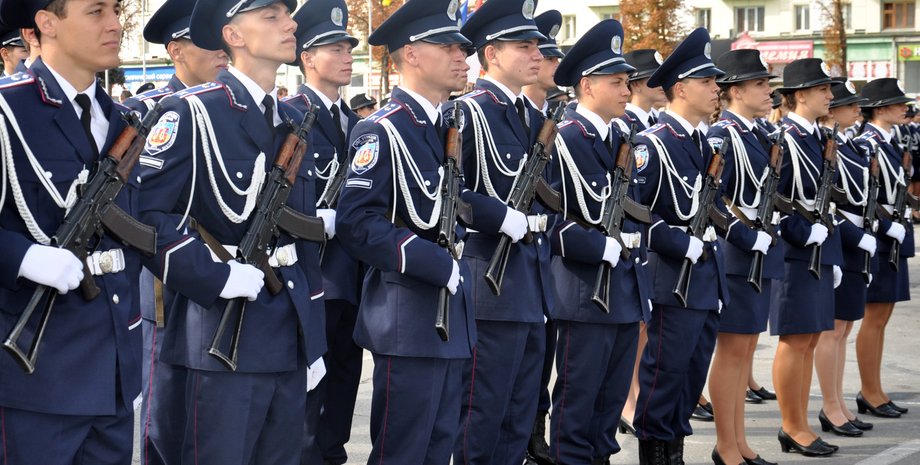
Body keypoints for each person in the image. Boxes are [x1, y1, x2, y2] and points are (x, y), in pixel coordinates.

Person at [136, 0, 327, 463]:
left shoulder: (292, 120)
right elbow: (144, 215)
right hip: (222, 333)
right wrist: (214, 276)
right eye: (271, 16)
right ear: (234, 36)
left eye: (287, 15)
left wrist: (313, 339)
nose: (291, 24)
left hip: (288, 331)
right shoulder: (192, 112)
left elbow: (300, 240)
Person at [334, 0, 509, 462]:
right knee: (404, 451)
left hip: (449, 316)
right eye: (448, 47)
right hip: (407, 316)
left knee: (439, 447)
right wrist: (434, 262)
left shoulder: (444, 126)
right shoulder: (382, 130)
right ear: (411, 54)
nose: (462, 57)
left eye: (463, 49)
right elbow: (356, 222)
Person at [0, 0, 142, 463]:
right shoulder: (7, 110)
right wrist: (22, 257)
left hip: (114, 374)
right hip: (36, 378)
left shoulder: (121, 121)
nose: (115, 24)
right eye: (96, 10)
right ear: (47, 23)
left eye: (116, 9)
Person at [121, 1, 230, 463]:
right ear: (177, 50)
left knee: (213, 423)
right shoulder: (146, 112)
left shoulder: (232, 111)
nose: (222, 50)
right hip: (166, 283)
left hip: (228, 280)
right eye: (208, 41)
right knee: (164, 417)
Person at [452, 1, 554, 463]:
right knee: (482, 412)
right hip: (488, 285)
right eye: (524, 46)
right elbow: (451, 192)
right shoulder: (468, 113)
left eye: (537, 46)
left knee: (519, 413)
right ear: (491, 54)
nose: (537, 55)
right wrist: (499, 216)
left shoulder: (531, 117)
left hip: (530, 283)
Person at [548, 19, 650, 465]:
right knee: (578, 402)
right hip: (584, 292)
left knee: (609, 405)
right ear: (587, 85)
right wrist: (596, 246)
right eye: (617, 82)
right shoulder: (566, 138)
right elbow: (548, 218)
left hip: (624, 289)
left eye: (627, 82)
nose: (627, 90)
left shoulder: (621, 138)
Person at [630, 27, 729, 465]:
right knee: (664, 378)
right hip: (673, 281)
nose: (716, 89)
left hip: (705, 280)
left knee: (690, 379)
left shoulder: (704, 143)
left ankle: (675, 453)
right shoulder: (652, 145)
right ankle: (656, 454)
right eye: (707, 82)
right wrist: (679, 243)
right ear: (682, 88)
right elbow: (636, 215)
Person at [283, 1, 363, 463]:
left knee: (345, 385)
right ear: (308, 58)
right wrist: (317, 220)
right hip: (313, 275)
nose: (348, 57)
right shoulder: (290, 115)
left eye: (349, 48)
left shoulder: (358, 123)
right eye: (336, 49)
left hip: (353, 276)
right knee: (310, 395)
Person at [705, 49, 780, 465]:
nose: (769, 92)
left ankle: (739, 441)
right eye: (760, 84)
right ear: (735, 90)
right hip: (737, 257)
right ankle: (726, 445)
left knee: (746, 351)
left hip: (758, 254)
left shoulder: (756, 133)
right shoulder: (724, 136)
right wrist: (745, 236)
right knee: (732, 353)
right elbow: (713, 201)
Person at [771, 57, 843, 458]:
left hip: (820, 251)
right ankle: (791, 425)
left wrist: (831, 252)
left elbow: (825, 199)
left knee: (811, 340)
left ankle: (799, 423)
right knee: (795, 341)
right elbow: (772, 201)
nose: (830, 96)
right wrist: (803, 234)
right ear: (800, 95)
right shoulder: (785, 139)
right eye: (823, 89)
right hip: (796, 255)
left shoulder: (817, 137)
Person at [813, 76, 876, 438]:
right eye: (850, 105)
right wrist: (856, 237)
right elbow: (828, 204)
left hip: (853, 243)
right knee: (832, 330)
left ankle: (838, 401)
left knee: (844, 328)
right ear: (832, 111)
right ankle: (829, 405)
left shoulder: (848, 143)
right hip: (841, 241)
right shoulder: (827, 144)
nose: (857, 111)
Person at [853, 77, 915, 419]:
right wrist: (884, 222)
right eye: (897, 103)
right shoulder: (867, 144)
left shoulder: (891, 140)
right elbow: (864, 194)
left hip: (895, 236)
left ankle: (876, 389)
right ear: (879, 109)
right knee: (874, 317)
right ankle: (869, 390)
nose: (904, 108)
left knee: (884, 316)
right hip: (879, 239)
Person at [519, 9, 564, 465]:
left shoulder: (551, 119)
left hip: (542, 259)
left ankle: (536, 429)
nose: (550, 64)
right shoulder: (520, 119)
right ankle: (530, 434)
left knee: (541, 356)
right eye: (548, 57)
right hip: (516, 263)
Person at [616, 46, 664, 436]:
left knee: (643, 323)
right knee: (635, 326)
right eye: (655, 79)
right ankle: (629, 398)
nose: (663, 85)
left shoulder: (648, 124)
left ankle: (634, 394)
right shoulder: (628, 124)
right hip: (629, 236)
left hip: (643, 238)